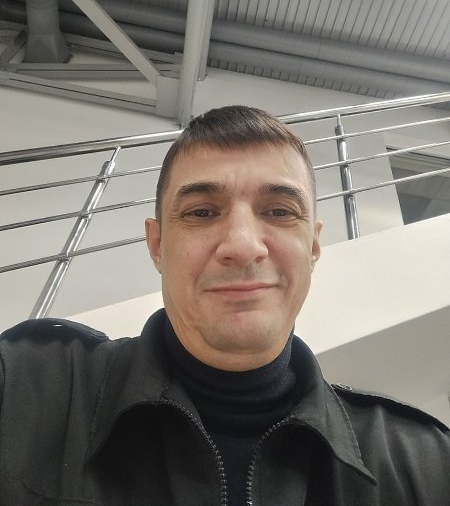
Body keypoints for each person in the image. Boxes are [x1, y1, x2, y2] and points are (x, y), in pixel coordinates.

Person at [0, 105, 448, 505]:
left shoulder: (425, 463)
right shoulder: (25, 385)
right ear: (157, 245)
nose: (242, 246)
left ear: (313, 246)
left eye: (279, 211)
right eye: (202, 212)